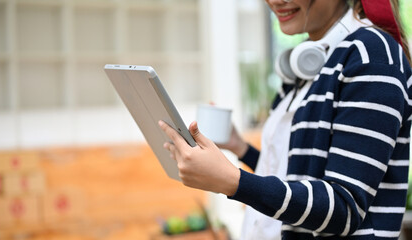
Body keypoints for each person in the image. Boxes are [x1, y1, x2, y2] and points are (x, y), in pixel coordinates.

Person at [159, 0, 412, 238]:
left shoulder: (372, 56)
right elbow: (298, 174)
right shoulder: (307, 67)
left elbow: (344, 206)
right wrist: (240, 148)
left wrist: (233, 182)